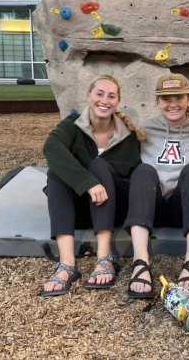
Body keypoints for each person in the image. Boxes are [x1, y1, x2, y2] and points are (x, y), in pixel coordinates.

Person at [40, 75, 143, 297]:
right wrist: (88, 183)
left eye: (111, 96)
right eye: (99, 93)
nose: (104, 100)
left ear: (118, 102)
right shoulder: (72, 125)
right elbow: (51, 148)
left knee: (99, 165)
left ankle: (105, 257)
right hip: (79, 211)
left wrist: (98, 177)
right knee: (56, 172)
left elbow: (134, 179)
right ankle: (67, 264)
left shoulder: (128, 137)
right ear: (88, 96)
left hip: (114, 210)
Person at [123, 73, 189, 299]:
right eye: (165, 99)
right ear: (157, 101)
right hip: (153, 207)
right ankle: (140, 262)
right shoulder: (147, 129)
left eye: (179, 97)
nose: (172, 104)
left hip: (184, 208)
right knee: (143, 171)